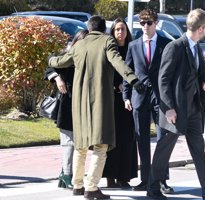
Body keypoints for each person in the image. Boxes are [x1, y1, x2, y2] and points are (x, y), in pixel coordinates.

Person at [48, 15, 145, 200]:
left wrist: (51, 60)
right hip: (99, 102)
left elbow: (61, 61)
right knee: (101, 145)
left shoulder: (80, 44)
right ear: (103, 29)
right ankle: (91, 187)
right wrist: (133, 79)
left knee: (81, 145)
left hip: (78, 103)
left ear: (89, 28)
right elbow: (118, 62)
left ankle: (77, 184)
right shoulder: (107, 41)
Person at [147, 9, 205, 200]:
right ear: (201, 28)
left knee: (198, 149)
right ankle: (152, 189)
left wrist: (202, 84)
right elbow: (163, 80)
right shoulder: (175, 47)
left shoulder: (196, 48)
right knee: (164, 151)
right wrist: (168, 108)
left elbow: (191, 75)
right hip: (175, 110)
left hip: (193, 109)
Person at [122, 9, 173, 193]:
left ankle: (161, 180)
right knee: (141, 139)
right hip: (139, 97)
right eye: (142, 23)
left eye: (148, 23)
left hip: (161, 98)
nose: (145, 26)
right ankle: (145, 179)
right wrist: (126, 96)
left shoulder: (167, 44)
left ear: (156, 23)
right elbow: (127, 72)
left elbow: (172, 73)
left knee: (163, 140)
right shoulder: (133, 46)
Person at [44, 29, 89, 190]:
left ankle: (65, 173)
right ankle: (68, 175)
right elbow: (49, 64)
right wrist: (57, 78)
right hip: (67, 104)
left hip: (83, 105)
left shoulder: (87, 57)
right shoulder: (67, 55)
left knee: (79, 143)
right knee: (68, 142)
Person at [102, 18, 138, 188]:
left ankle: (124, 176)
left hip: (128, 100)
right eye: (117, 29)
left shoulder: (132, 48)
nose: (120, 32)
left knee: (127, 139)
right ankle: (109, 176)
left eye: (123, 29)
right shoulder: (109, 49)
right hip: (112, 101)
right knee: (111, 140)